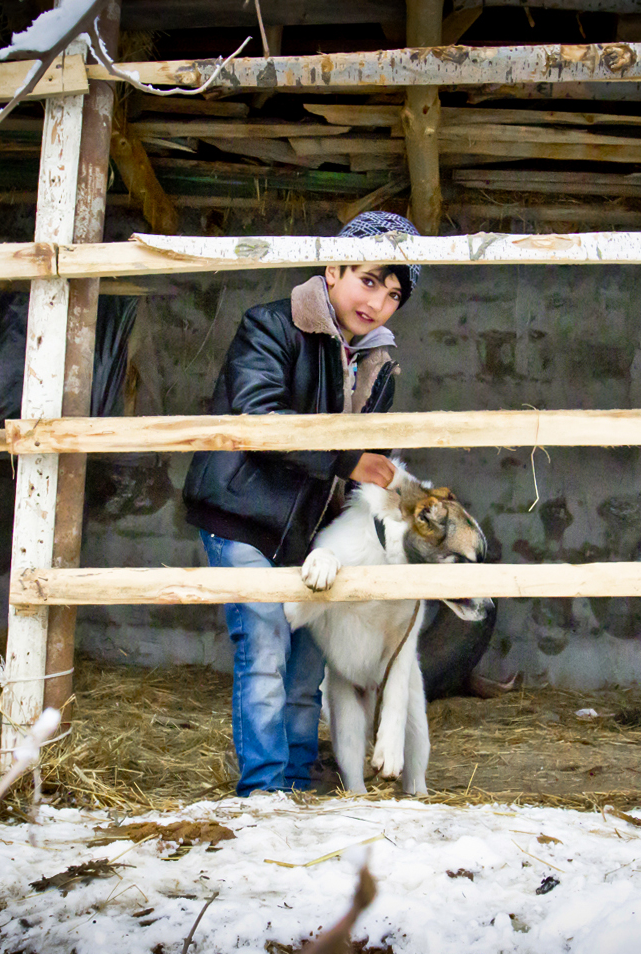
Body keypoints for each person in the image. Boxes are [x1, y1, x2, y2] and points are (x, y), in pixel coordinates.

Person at [182, 211, 422, 795]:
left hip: (311, 531)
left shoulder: (377, 362)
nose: (379, 303)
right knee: (265, 640)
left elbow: (370, 462)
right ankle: (263, 791)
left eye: (393, 295)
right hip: (241, 514)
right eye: (369, 281)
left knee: (310, 661)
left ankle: (295, 776)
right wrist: (346, 461)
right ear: (333, 267)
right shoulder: (271, 325)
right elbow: (258, 416)